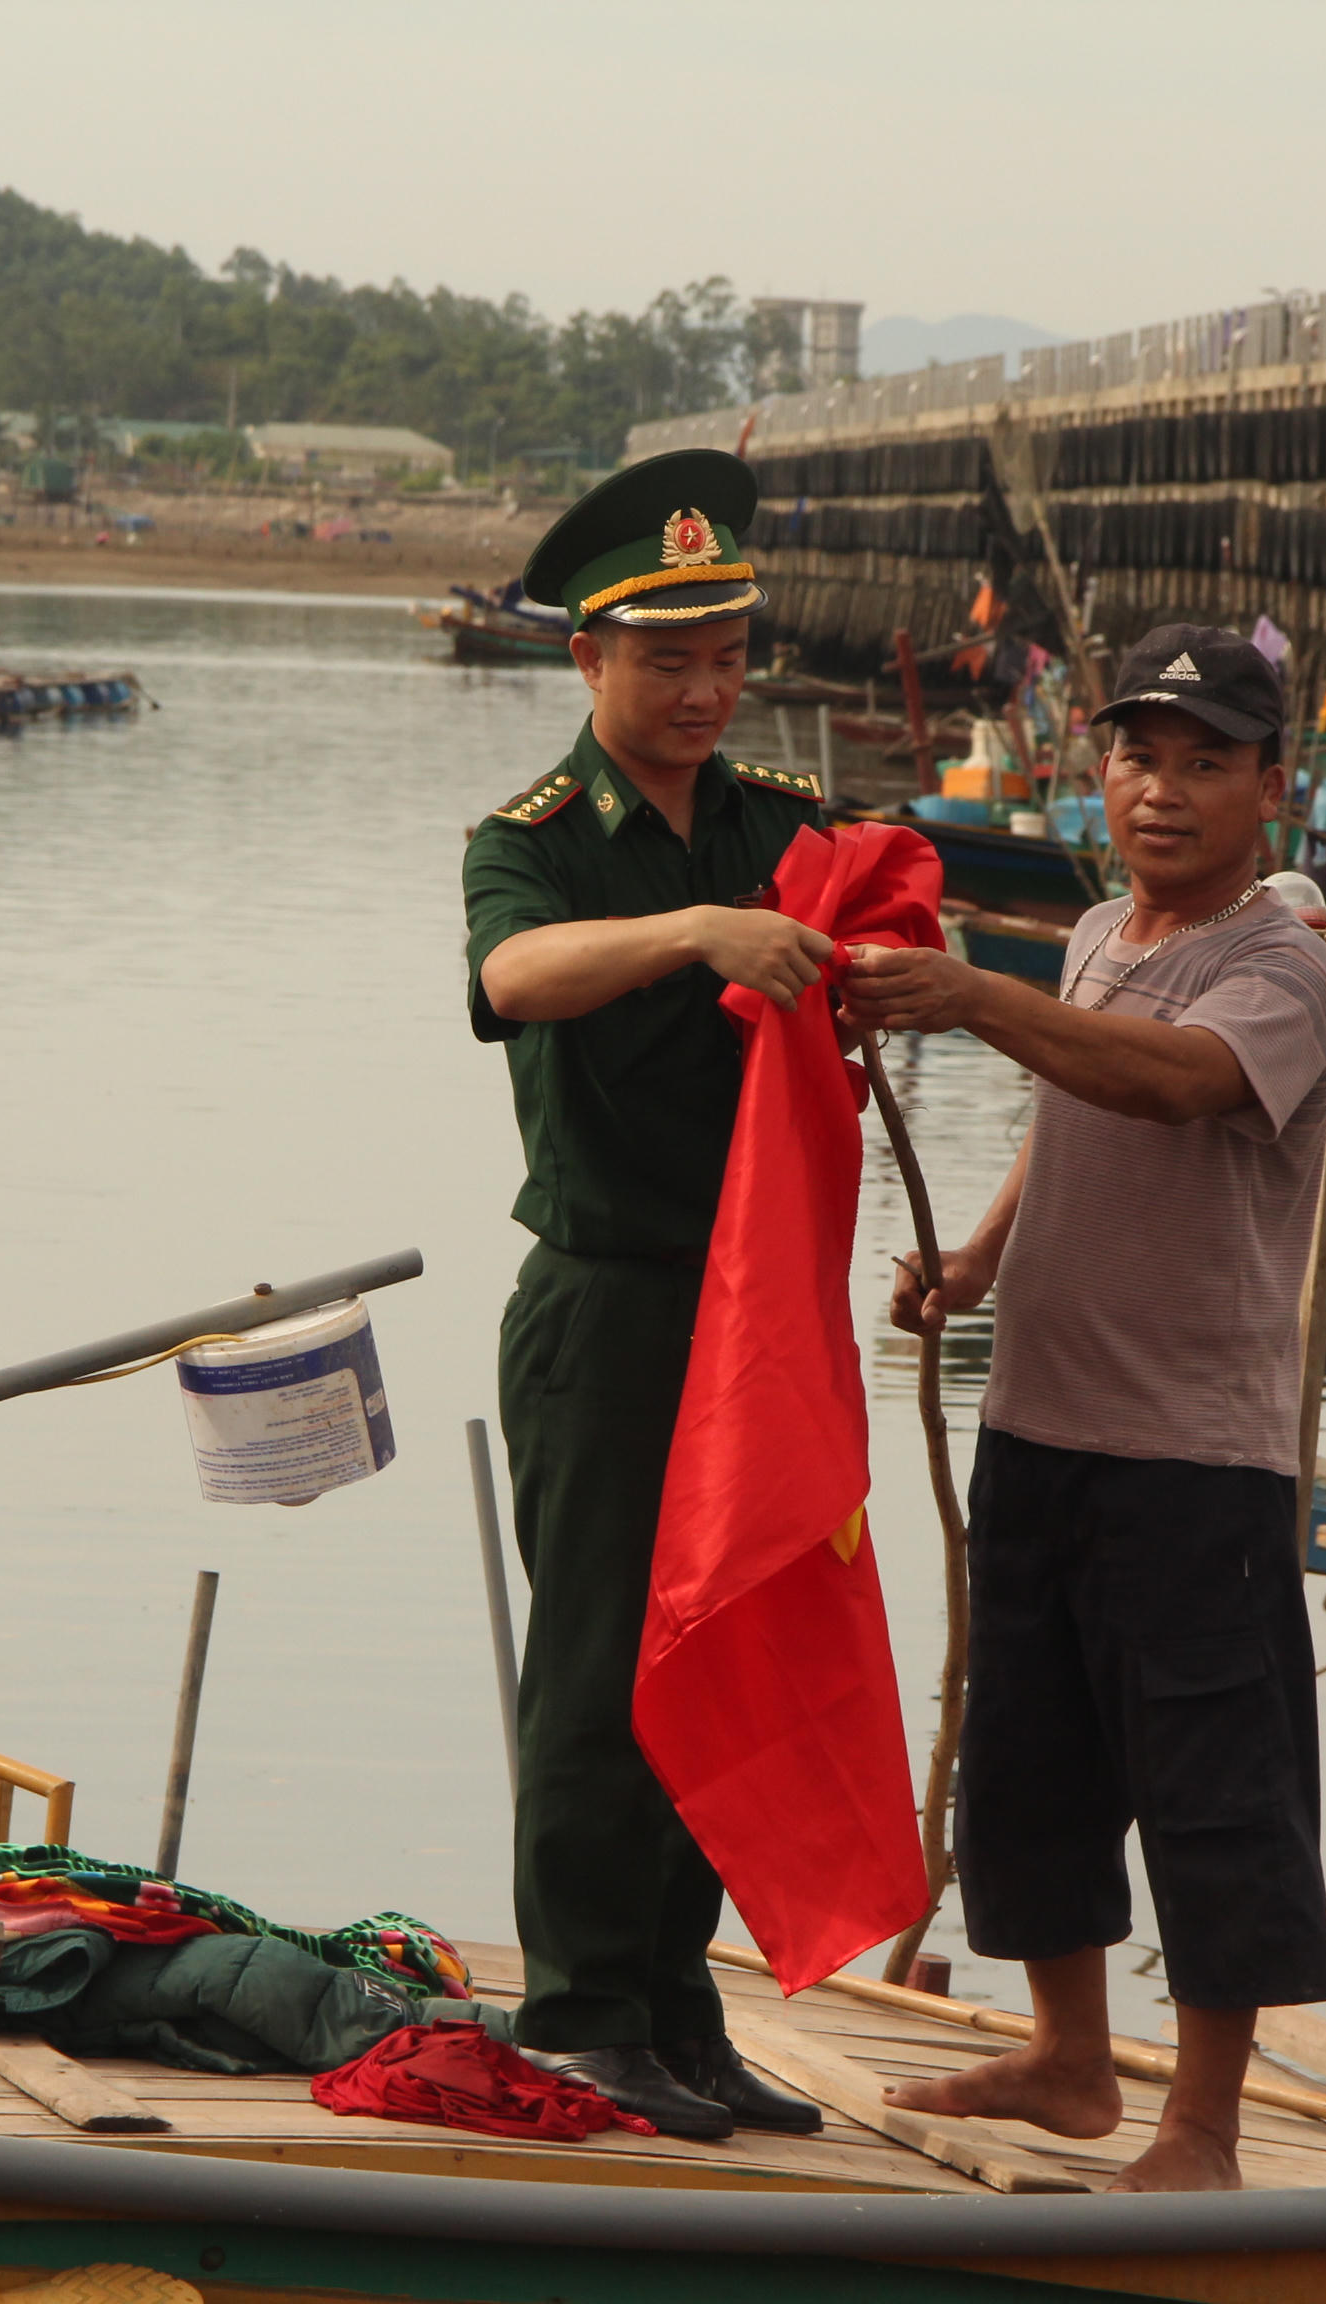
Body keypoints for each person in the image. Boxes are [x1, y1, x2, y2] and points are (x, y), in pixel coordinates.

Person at [837, 622, 1326, 2192]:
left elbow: (1170, 1080)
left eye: (1206, 763)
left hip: (1194, 1456)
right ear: (1100, 768)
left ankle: (1202, 2128)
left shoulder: (1283, 966)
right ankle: (1068, 2060)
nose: (1164, 790)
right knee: (1030, 1763)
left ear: (1271, 785)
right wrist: (977, 1261)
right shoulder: (1097, 936)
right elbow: (1072, 1107)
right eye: (1140, 757)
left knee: (1213, 1788)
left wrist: (975, 998)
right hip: (1040, 1420)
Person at [457, 448, 833, 2142]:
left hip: (758, 1314)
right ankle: (580, 2010)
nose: (702, 691)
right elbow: (514, 973)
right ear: (587, 660)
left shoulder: (778, 820)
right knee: (604, 1665)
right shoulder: (534, 839)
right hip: (607, 1310)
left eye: (727, 657)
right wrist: (693, 933)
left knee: (734, 1656)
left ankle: (682, 2009)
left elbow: (873, 932)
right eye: (667, 660)